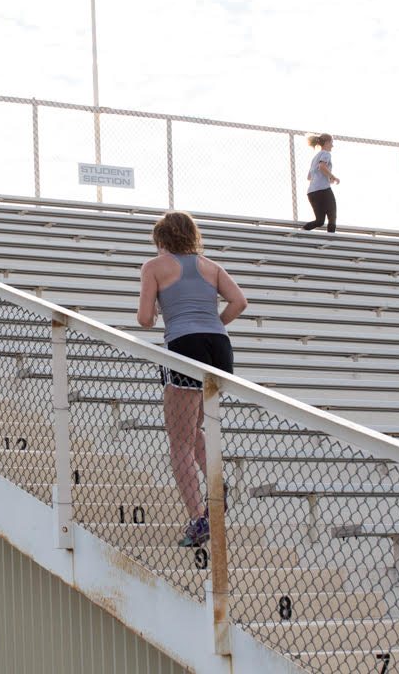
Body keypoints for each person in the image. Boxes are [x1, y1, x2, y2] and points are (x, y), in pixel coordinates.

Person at [136, 211, 248, 547]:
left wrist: (159, 310)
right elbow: (239, 302)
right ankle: (216, 485)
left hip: (185, 345)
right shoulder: (209, 266)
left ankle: (199, 516)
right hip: (219, 347)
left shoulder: (154, 266)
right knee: (195, 427)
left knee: (178, 439)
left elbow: (144, 319)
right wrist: (213, 324)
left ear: (162, 239)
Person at [303, 133, 340, 232]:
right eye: (332, 143)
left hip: (312, 192)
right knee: (332, 216)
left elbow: (309, 177)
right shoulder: (326, 154)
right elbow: (322, 167)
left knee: (319, 221)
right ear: (327, 143)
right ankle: (331, 240)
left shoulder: (315, 157)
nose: (332, 145)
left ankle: (301, 231)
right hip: (323, 190)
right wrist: (333, 177)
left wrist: (326, 178)